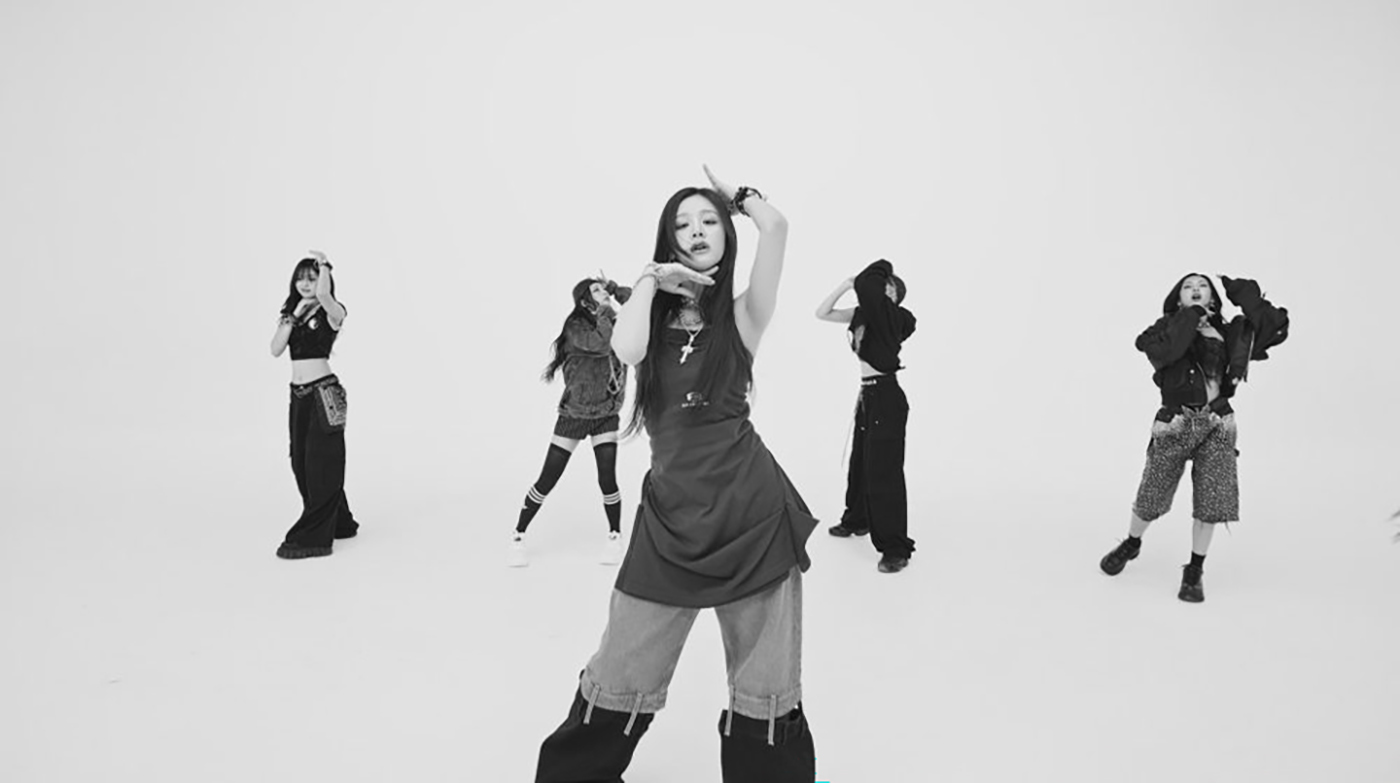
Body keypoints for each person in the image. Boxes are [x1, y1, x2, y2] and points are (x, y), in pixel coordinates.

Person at [534, 167, 818, 782]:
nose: (697, 231)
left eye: (708, 221)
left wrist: (738, 198)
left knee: (766, 690)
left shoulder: (744, 316)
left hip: (751, 518)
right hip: (670, 524)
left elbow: (776, 227)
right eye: (683, 224)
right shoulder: (646, 318)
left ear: (726, 235)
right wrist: (649, 279)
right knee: (619, 671)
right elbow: (629, 350)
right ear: (667, 242)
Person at [1099, 273, 1289, 602]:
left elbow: (1275, 328)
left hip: (1217, 423)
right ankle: (1132, 542)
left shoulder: (1231, 332)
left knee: (1211, 500)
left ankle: (1194, 570)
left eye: (1202, 286)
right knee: (1151, 495)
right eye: (1188, 287)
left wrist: (1247, 297)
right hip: (1175, 421)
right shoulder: (1162, 331)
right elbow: (1169, 351)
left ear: (1213, 297)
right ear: (1178, 299)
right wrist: (1193, 315)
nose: (1196, 289)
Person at [509, 275, 633, 567]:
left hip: (606, 413)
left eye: (603, 288)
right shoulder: (576, 326)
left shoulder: (614, 321)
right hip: (575, 414)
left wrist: (616, 291)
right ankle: (518, 535)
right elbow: (601, 344)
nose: (603, 292)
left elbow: (639, 309)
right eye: (596, 290)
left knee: (607, 477)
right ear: (584, 300)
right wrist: (607, 310)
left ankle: (614, 536)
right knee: (548, 478)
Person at [814, 260, 917, 573]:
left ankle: (895, 548)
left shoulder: (898, 318)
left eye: (888, 288)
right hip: (868, 396)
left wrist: (879, 272)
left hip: (887, 397)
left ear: (895, 296)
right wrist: (847, 285)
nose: (881, 291)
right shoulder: (863, 315)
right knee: (860, 461)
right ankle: (857, 519)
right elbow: (822, 313)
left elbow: (872, 287)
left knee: (883, 471)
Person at [268, 251, 358, 559]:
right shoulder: (291, 315)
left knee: (322, 463)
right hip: (298, 395)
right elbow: (276, 349)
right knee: (300, 461)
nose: (306, 284)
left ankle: (315, 535)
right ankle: (339, 521)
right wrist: (293, 314)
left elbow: (323, 294)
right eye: (300, 278)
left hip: (323, 393)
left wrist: (326, 266)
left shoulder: (333, 310)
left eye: (312, 278)